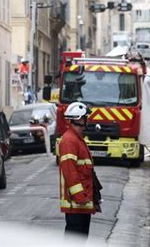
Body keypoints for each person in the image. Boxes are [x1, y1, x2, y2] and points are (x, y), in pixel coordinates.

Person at [58, 102, 101, 239]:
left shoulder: (77, 139)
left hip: (81, 202)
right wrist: (80, 197)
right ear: (79, 119)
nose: (87, 120)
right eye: (85, 118)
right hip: (76, 203)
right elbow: (70, 172)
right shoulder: (70, 141)